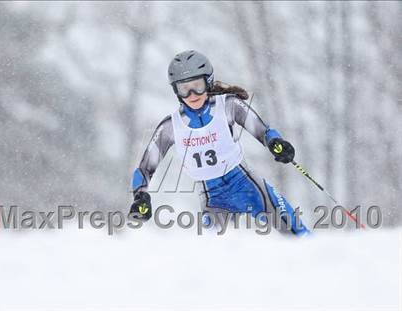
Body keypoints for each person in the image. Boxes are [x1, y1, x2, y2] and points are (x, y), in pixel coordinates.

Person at [128, 50, 309, 236]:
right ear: (176, 91)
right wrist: (140, 196)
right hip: (212, 198)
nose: (192, 94)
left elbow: (263, 131)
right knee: (217, 254)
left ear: (208, 81)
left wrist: (276, 143)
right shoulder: (170, 127)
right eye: (184, 88)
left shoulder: (228, 105)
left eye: (197, 86)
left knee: (295, 230)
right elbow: (144, 169)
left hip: (246, 184)